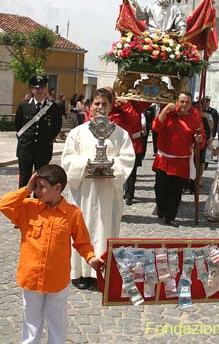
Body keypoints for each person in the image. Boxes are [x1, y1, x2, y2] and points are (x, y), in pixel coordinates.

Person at [0, 164, 101, 344]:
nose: (37, 191)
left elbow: (82, 242)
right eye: (36, 186)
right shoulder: (29, 207)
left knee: (57, 321)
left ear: (57, 188)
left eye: (42, 187)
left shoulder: (72, 214)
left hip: (57, 280)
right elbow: (4, 204)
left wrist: (91, 259)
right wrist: (27, 189)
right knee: (31, 320)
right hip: (31, 277)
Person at [61, 88, 135, 289]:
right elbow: (67, 158)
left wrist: (109, 167)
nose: (100, 108)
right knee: (81, 228)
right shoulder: (77, 133)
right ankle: (79, 273)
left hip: (108, 193)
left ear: (111, 107)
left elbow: (128, 159)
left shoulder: (121, 134)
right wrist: (87, 164)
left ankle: (102, 272)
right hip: (83, 190)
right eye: (97, 104)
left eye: (104, 104)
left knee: (106, 228)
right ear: (89, 107)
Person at [152, 92, 204, 227]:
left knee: (176, 191)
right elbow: (155, 127)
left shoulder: (194, 119)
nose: (184, 104)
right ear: (176, 101)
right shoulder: (168, 114)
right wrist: (164, 111)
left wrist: (199, 140)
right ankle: (162, 210)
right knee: (160, 189)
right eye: (181, 101)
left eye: (187, 102)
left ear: (190, 104)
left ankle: (170, 217)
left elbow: (200, 140)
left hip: (181, 161)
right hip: (164, 158)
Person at [15, 74, 62, 188]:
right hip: (26, 149)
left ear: (45, 89)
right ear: (32, 90)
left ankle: (39, 205)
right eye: (36, 88)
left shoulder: (53, 107)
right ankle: (24, 205)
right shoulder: (24, 105)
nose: (39, 90)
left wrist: (45, 139)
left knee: (41, 182)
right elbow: (18, 125)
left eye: (41, 87)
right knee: (24, 182)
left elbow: (56, 127)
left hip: (43, 149)